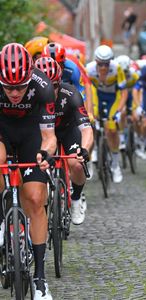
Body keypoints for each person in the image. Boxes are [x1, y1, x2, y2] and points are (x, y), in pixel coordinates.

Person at [0, 43, 56, 299]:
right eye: (8, 87)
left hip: (31, 133)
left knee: (35, 198)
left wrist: (45, 154)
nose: (14, 92)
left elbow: (49, 137)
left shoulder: (43, 87)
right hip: (2, 131)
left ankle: (40, 279)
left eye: (20, 87)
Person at [34, 57, 93, 225]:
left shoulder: (71, 94)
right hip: (42, 134)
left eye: (53, 86)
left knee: (76, 163)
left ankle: (76, 198)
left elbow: (86, 128)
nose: (48, 91)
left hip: (67, 130)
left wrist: (85, 149)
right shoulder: (30, 97)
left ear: (60, 83)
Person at [86, 45, 128, 183]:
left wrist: (119, 110)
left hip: (112, 98)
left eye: (106, 64)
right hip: (96, 96)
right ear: (96, 62)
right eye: (100, 64)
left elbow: (124, 93)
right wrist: (89, 111)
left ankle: (115, 165)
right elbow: (86, 92)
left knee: (111, 128)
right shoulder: (89, 69)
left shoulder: (117, 69)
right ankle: (90, 161)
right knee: (90, 126)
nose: (103, 68)